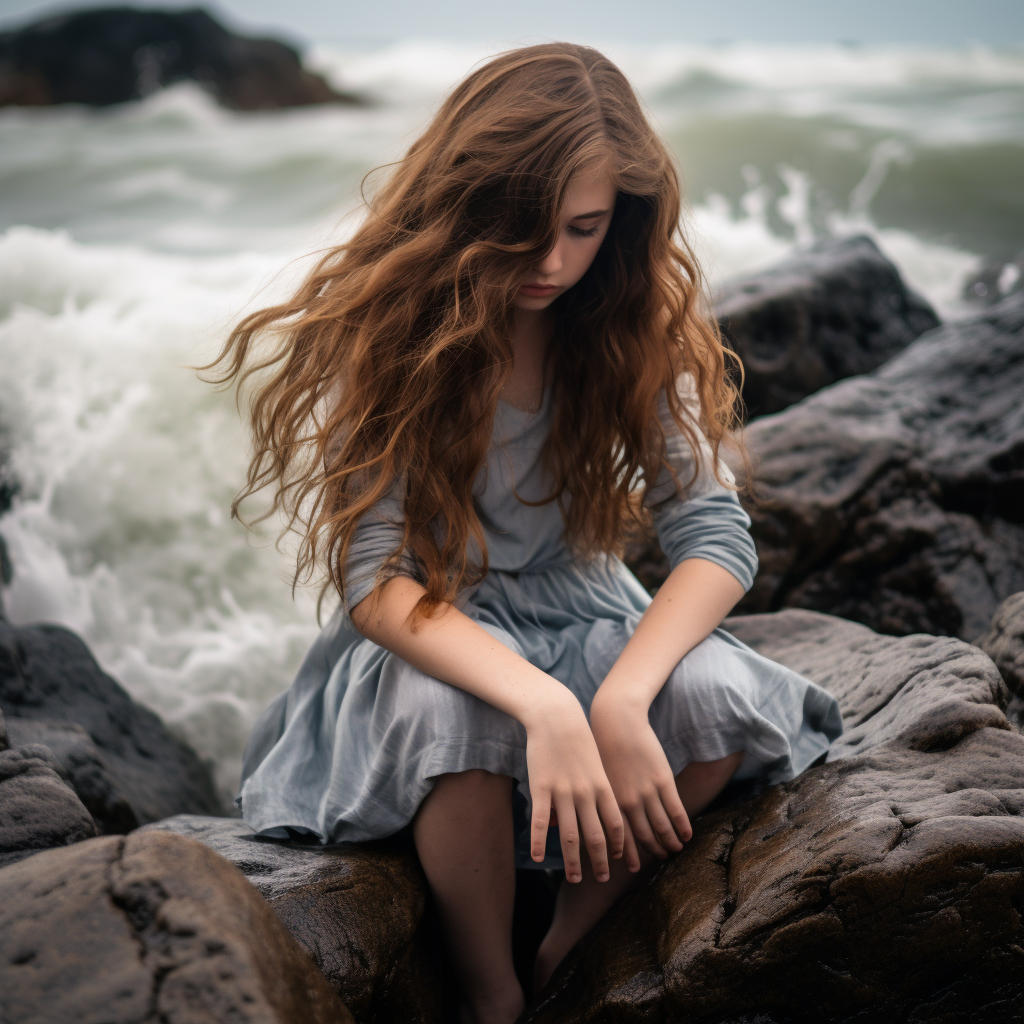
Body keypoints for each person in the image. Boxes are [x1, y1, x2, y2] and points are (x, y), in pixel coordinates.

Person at [211, 42, 843, 1024]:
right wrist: (549, 708)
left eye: (583, 228)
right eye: (521, 229)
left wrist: (624, 697)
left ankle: (559, 948)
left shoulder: (629, 326)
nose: (551, 262)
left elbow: (716, 537)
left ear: (620, 221)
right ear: (465, 204)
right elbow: (375, 577)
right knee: (458, 713)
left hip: (584, 610)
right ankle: (487, 985)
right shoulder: (394, 335)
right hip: (439, 621)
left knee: (718, 695)